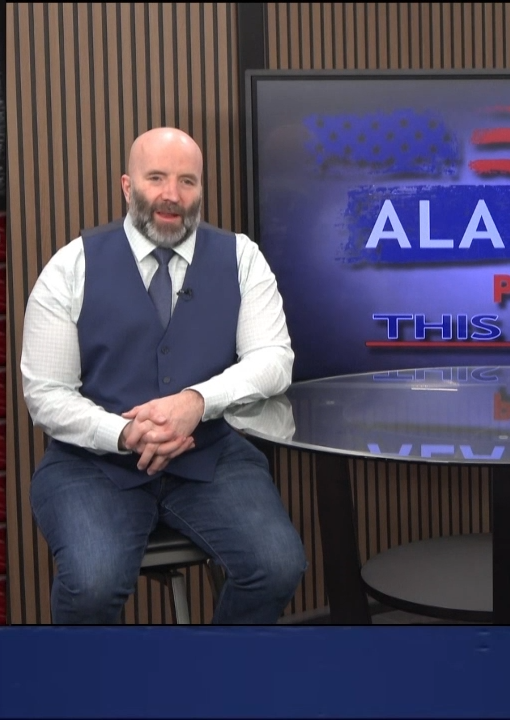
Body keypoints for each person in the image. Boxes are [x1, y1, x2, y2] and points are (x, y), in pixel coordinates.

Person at [20, 127, 307, 624]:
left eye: (186, 181)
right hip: (91, 465)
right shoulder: (70, 266)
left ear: (200, 190)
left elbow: (274, 359)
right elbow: (46, 394)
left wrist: (196, 402)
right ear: (128, 186)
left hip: (210, 455)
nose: (171, 195)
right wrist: (124, 432)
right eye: (156, 178)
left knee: (278, 566)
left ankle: (211, 673)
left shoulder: (242, 258)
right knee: (92, 586)